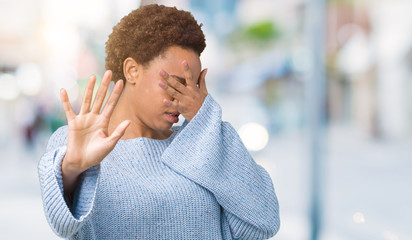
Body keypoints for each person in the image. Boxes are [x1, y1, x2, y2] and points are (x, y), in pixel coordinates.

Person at [38, 4, 280, 240]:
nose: (184, 99)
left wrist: (205, 122)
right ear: (132, 70)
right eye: (175, 84)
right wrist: (72, 168)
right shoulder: (80, 143)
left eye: (193, 87)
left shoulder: (202, 144)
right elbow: (62, 224)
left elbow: (263, 223)